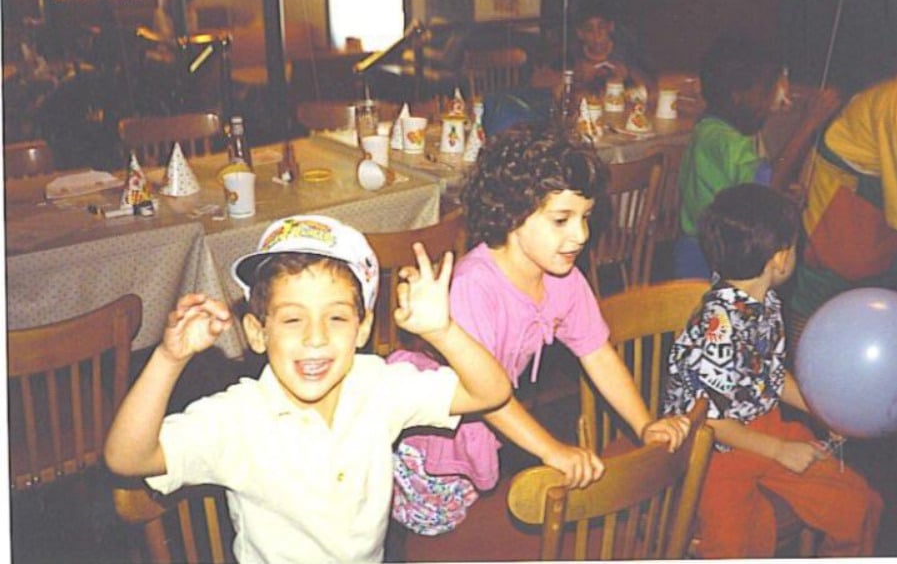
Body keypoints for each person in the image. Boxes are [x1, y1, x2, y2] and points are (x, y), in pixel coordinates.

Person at [103, 214, 512, 563]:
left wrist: (443, 331)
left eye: (335, 318)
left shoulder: (379, 386)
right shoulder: (240, 418)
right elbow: (127, 458)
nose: (315, 338)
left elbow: (490, 393)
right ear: (257, 333)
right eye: (292, 320)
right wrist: (169, 358)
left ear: (362, 328)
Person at [387, 126, 691, 537]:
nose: (581, 235)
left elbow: (597, 353)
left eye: (585, 217)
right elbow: (487, 398)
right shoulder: (476, 285)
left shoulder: (561, 276)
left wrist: (644, 425)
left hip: (486, 425)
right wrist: (554, 451)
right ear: (513, 214)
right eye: (561, 219)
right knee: (435, 538)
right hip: (435, 437)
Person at [663, 183, 882, 559]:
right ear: (780, 259)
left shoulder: (763, 305)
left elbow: (771, 378)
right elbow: (709, 421)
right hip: (711, 454)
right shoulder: (719, 325)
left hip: (764, 426)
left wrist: (821, 409)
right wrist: (779, 449)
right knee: (734, 546)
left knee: (856, 504)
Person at [674, 32, 840, 279]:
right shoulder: (726, 140)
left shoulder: (709, 127)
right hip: (709, 259)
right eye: (767, 88)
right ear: (737, 95)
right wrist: (809, 123)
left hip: (698, 250)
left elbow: (748, 187)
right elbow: (766, 186)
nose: (775, 95)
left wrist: (782, 196)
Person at [788, 74, 897, 344]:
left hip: (874, 196)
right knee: (820, 289)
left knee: (873, 291)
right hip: (840, 196)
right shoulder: (893, 103)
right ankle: (797, 374)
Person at [570, 3, 654, 96]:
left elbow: (651, 87)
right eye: (589, 29)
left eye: (601, 27)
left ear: (610, 27)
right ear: (580, 33)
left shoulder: (628, 52)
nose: (597, 35)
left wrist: (627, 73)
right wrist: (578, 79)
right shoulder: (572, 56)